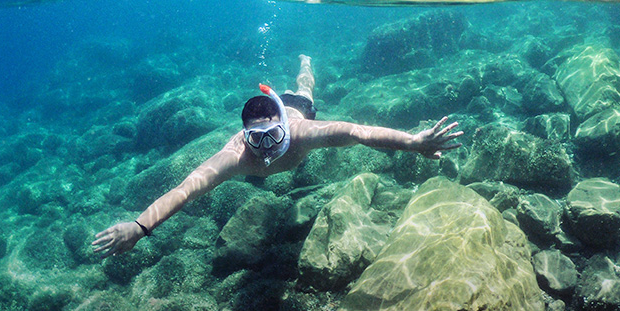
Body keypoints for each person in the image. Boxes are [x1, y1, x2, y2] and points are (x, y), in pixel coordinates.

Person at [92, 55, 463, 258]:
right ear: (244, 135)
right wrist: (140, 227)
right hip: (276, 112)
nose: (267, 147)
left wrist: (413, 142)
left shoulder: (301, 133)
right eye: (257, 138)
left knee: (305, 89)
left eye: (273, 135)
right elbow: (186, 189)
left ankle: (305, 64)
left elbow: (358, 132)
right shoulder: (236, 156)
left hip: (296, 107)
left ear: (284, 127)